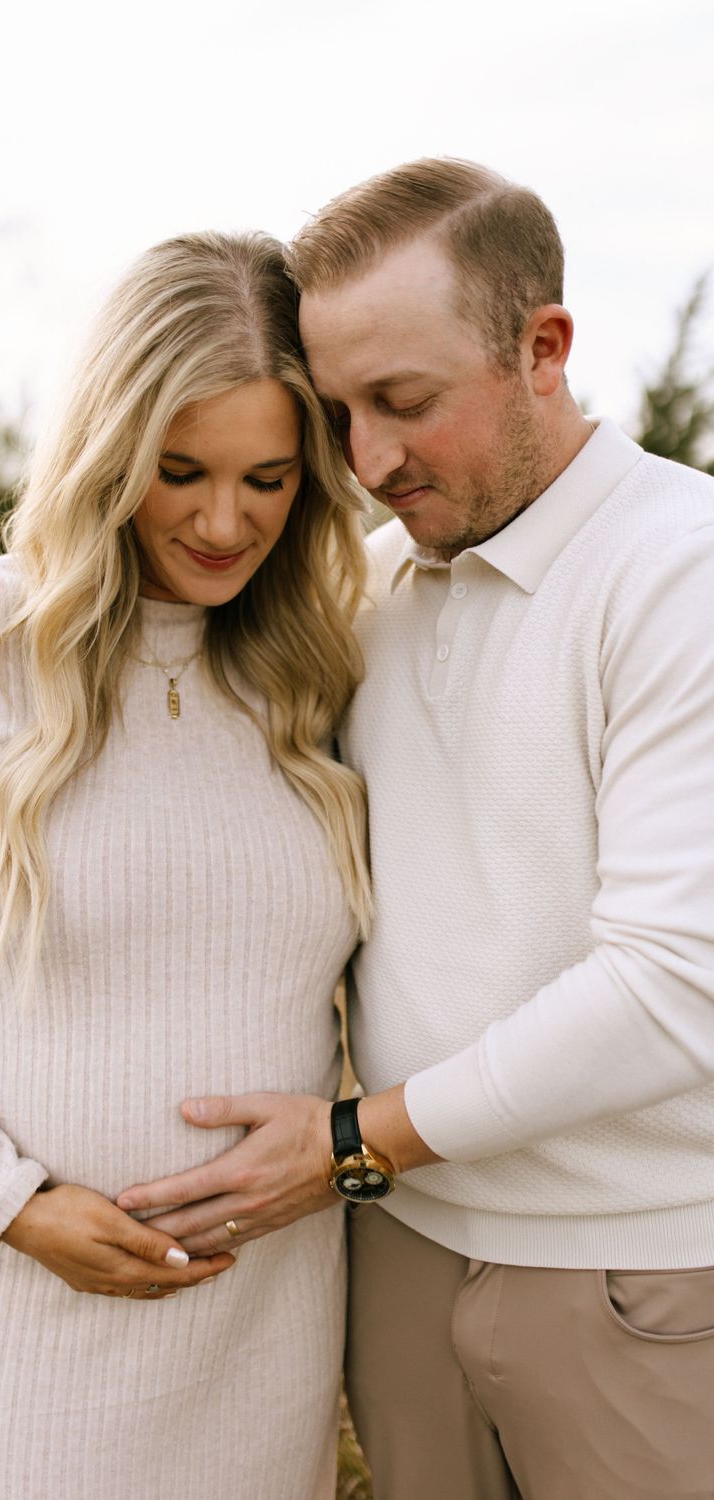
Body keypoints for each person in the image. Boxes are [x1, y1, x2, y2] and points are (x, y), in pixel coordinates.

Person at [116, 161, 714, 1499]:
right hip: (396, 1249)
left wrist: (351, 1142)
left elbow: (680, 984)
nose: (368, 461)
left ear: (542, 349)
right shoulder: (371, 589)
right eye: (337, 413)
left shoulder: (682, 572)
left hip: (642, 1273)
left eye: (404, 402)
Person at [0, 230, 374, 1499]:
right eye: (179, 472)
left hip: (268, 1301)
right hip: (29, 1294)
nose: (225, 522)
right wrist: (11, 1201)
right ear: (109, 447)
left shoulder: (313, 668)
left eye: (268, 479)